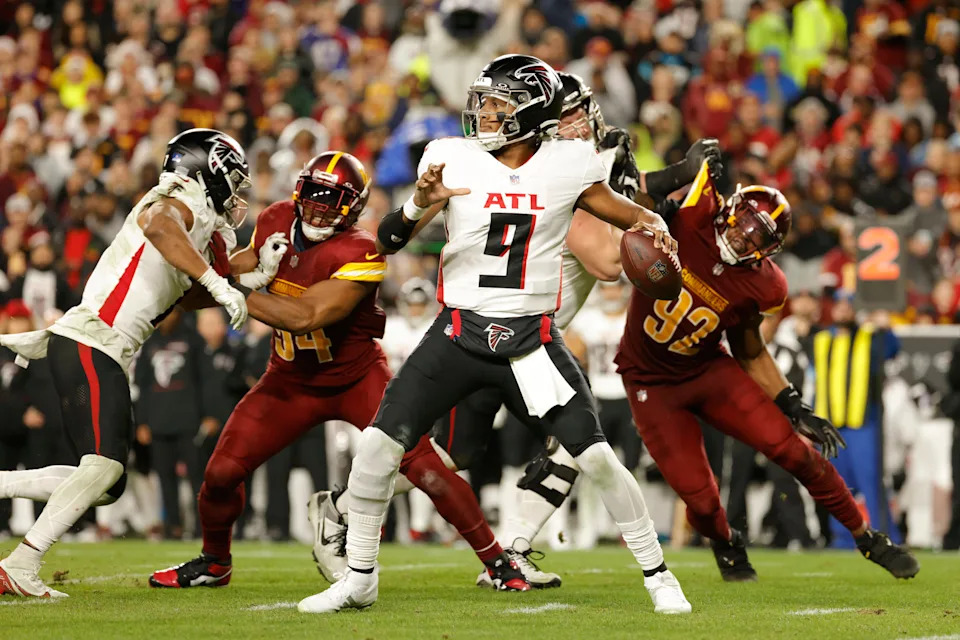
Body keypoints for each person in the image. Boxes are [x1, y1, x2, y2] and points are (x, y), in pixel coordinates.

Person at [298, 54, 691, 615]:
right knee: (377, 448)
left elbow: (622, 214)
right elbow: (387, 240)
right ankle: (359, 577)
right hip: (458, 333)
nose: (484, 112)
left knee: (597, 456)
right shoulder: (450, 158)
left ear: (530, 112)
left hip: (531, 343)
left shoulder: (569, 163)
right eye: (483, 100)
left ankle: (659, 577)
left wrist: (652, 224)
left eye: (499, 103)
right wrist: (419, 202)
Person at [150, 151, 519, 591]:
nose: (320, 206)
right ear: (298, 191)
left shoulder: (361, 249)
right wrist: (213, 276)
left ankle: (498, 563)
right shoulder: (276, 218)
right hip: (288, 379)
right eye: (314, 194)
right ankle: (215, 562)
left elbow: (306, 316)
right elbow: (236, 269)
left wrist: (229, 289)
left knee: (426, 469)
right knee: (221, 473)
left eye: (333, 198)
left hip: (355, 378)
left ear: (354, 207)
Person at [0, 128, 254, 598]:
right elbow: (159, 226)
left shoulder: (193, 220)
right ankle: (21, 563)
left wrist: (242, 276)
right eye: (233, 179)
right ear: (208, 169)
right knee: (105, 468)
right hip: (92, 343)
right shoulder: (180, 198)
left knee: (105, 481)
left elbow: (187, 294)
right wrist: (220, 284)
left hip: (92, 346)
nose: (236, 194)